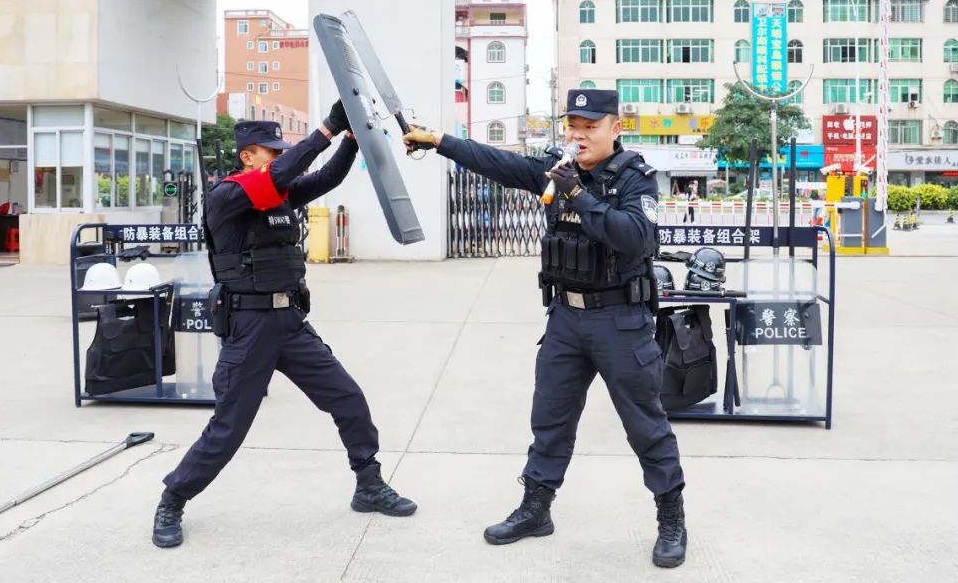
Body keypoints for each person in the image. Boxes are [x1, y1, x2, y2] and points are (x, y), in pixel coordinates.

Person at [404, 89, 688, 568]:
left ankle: (671, 518)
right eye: (573, 125)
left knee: (645, 425)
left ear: (615, 128)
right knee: (550, 418)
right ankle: (536, 508)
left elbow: (636, 237)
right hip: (566, 320)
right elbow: (497, 162)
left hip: (621, 321)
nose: (579, 135)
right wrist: (438, 141)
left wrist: (577, 193)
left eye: (590, 126)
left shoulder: (635, 178)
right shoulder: (556, 168)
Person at [152, 103, 416, 548]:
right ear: (247, 156)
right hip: (249, 327)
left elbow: (326, 178)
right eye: (271, 151)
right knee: (229, 428)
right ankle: (173, 498)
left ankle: (368, 484)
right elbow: (284, 171)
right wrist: (326, 128)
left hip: (290, 323)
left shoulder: (281, 194)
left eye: (280, 150)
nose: (279, 157)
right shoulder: (227, 196)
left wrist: (351, 139)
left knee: (348, 398)